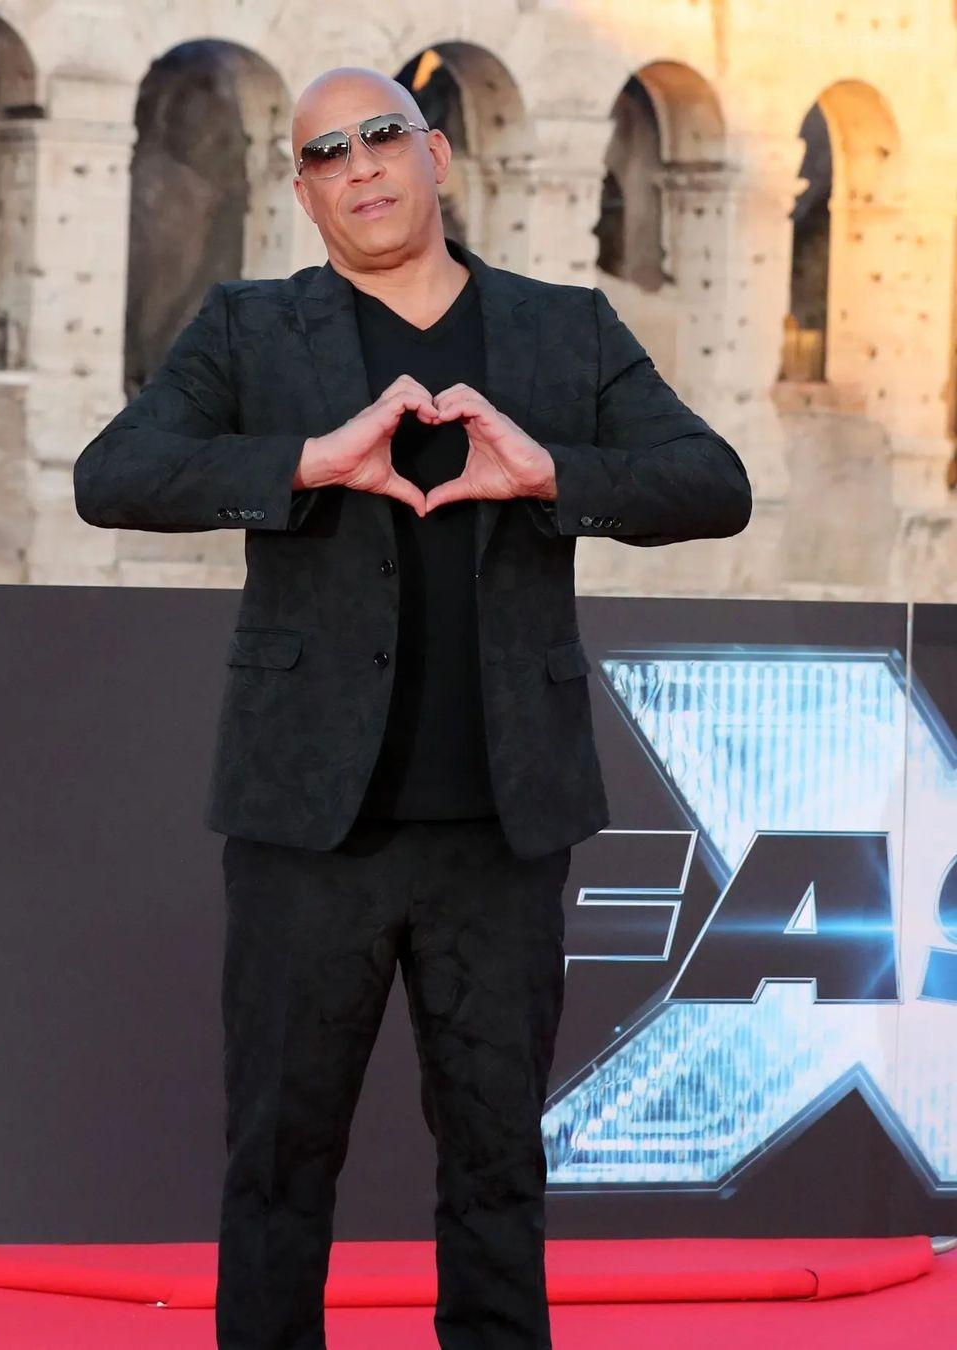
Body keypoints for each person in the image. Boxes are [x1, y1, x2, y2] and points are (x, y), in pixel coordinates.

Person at [73, 64, 752, 1350]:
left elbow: (712, 484)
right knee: (278, 1161)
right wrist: (305, 462)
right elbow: (114, 475)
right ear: (303, 192)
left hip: (504, 827)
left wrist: (552, 474)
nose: (360, 166)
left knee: (499, 1167)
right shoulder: (251, 329)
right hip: (304, 826)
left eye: (382, 136)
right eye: (326, 153)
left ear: (436, 156)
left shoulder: (563, 330)